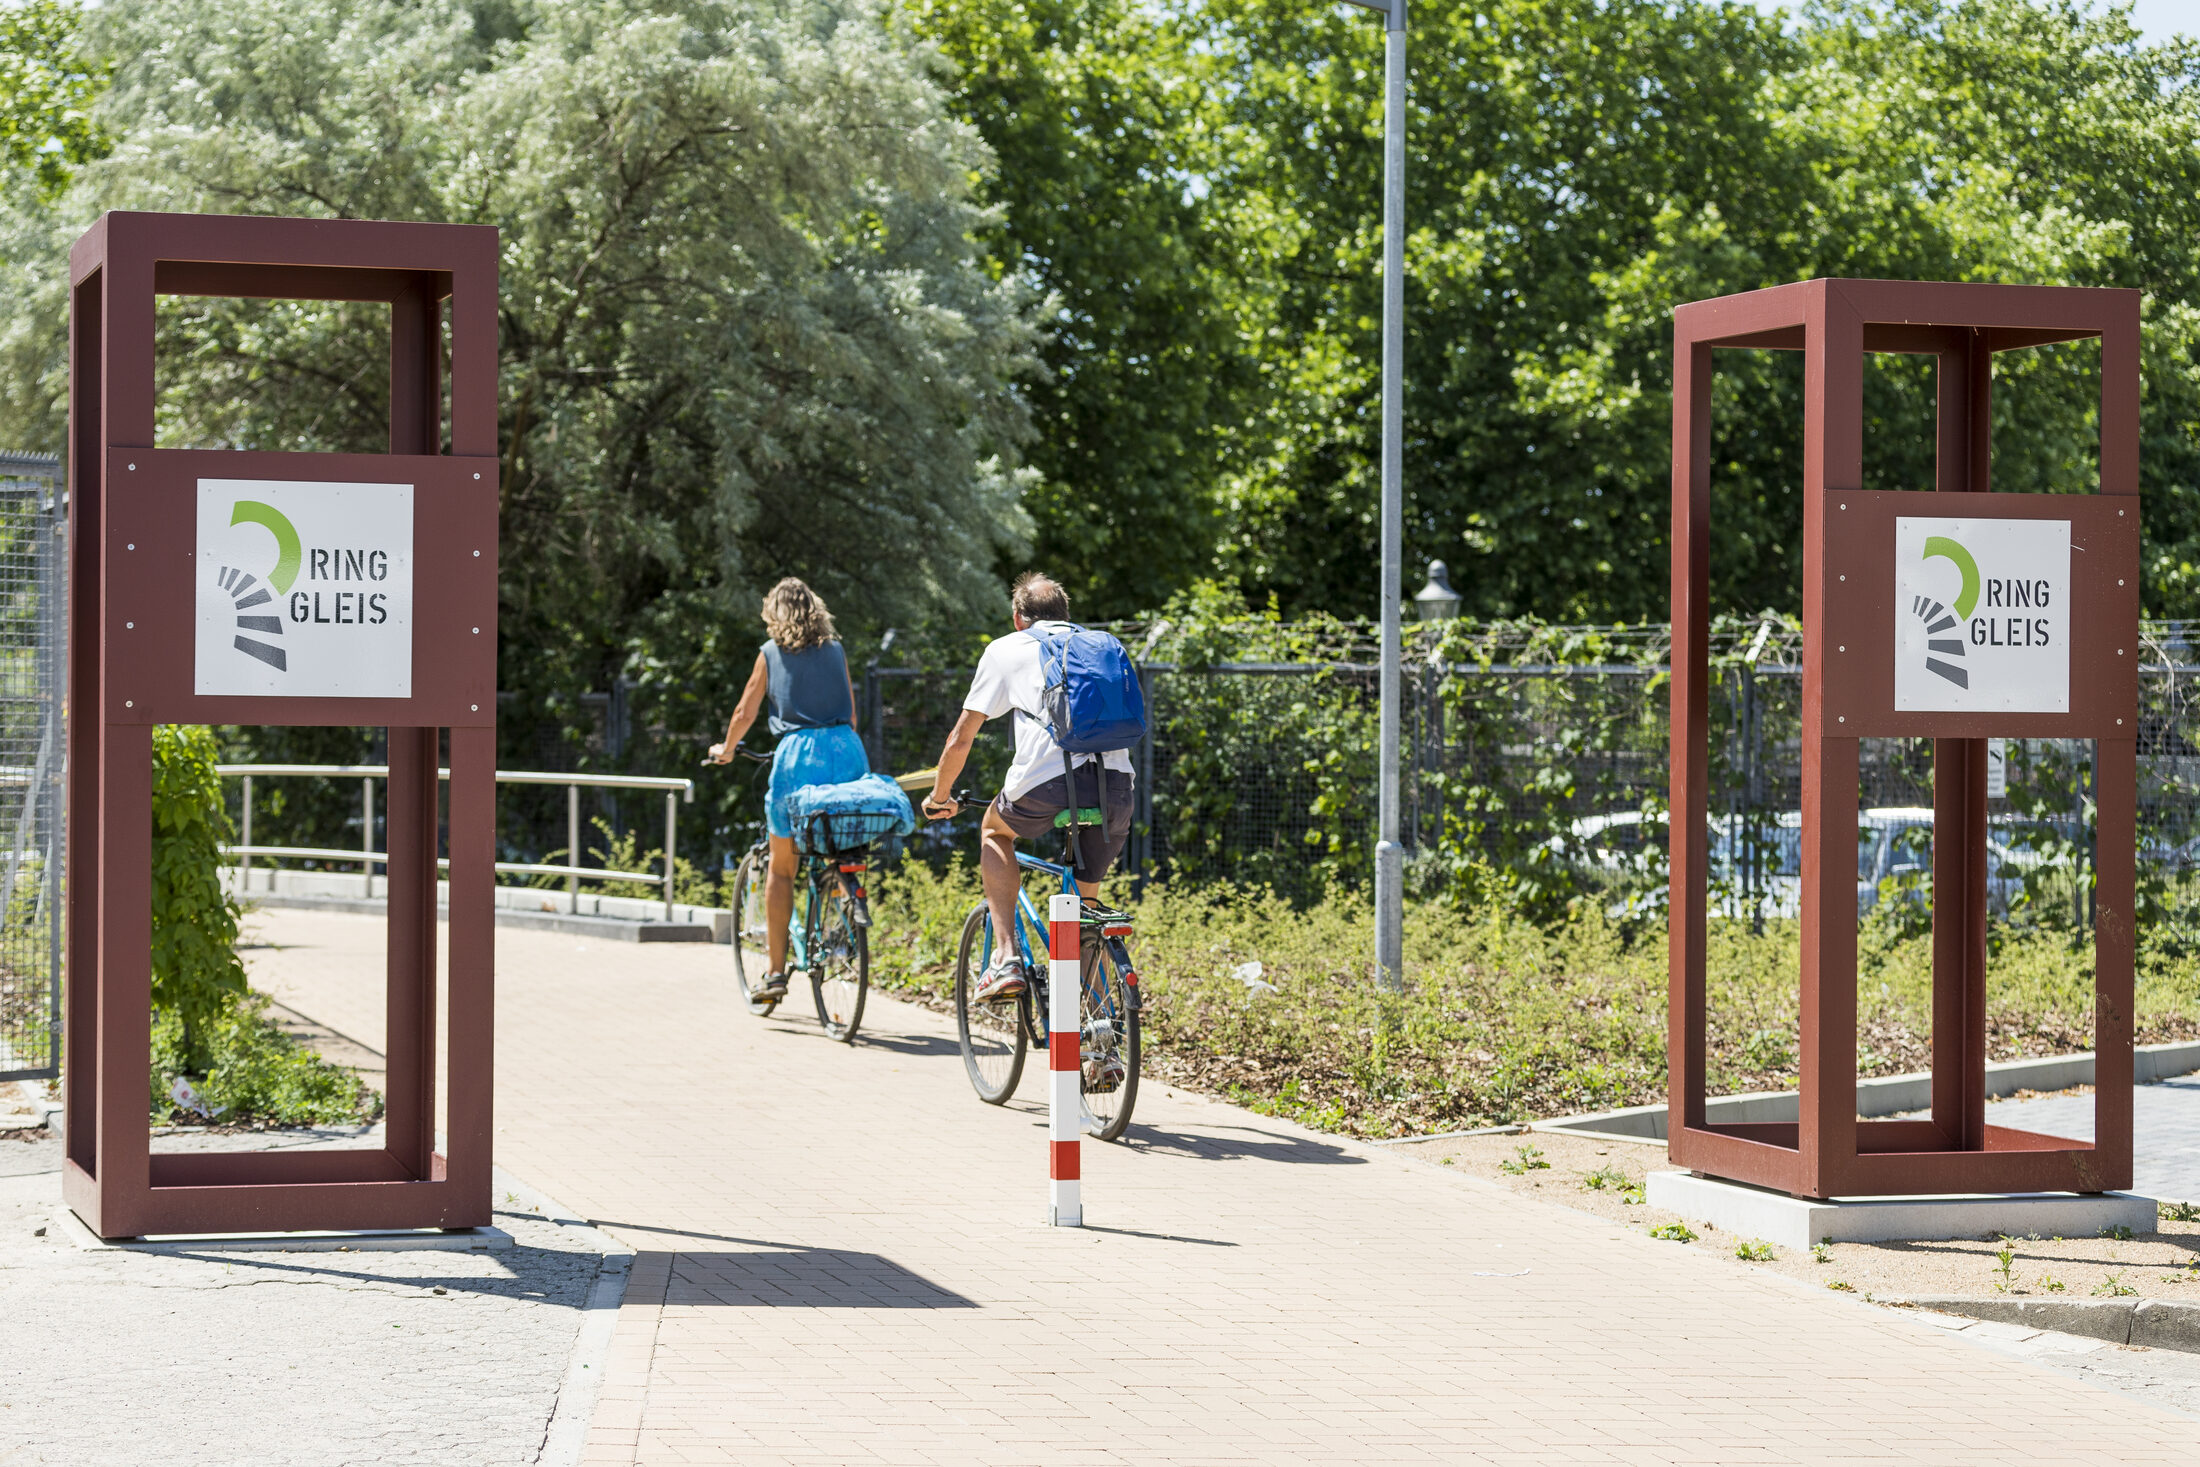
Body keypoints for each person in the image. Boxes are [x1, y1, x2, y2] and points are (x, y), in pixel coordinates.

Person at [921, 572, 1135, 1002]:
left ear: (1018, 618)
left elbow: (960, 739)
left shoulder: (1006, 649)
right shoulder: (1102, 646)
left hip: (1047, 784)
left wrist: (939, 797)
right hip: (1116, 788)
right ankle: (1104, 1042)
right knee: (1084, 913)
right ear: (1065, 613)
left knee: (994, 830)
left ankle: (1005, 959)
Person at [708, 577, 866, 1001]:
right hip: (848, 749)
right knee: (839, 843)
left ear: (773, 614)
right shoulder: (835, 649)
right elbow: (850, 714)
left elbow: (745, 709)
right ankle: (843, 909)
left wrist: (726, 749)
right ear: (816, 610)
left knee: (782, 868)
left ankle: (776, 972)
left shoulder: (770, 653)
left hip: (798, 755)